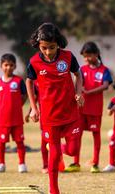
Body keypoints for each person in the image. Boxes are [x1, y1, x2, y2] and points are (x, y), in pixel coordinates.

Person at [26, 23, 84, 194]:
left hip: (70, 112)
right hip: (49, 116)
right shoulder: (34, 62)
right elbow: (29, 81)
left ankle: (58, 148)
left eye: (52, 47)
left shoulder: (68, 57)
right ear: (39, 45)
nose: (48, 52)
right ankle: (54, 190)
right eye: (44, 48)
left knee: (73, 150)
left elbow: (78, 74)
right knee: (55, 155)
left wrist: (79, 92)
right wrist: (33, 107)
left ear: (58, 43)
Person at [65, 42, 112, 173]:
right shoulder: (82, 70)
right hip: (81, 109)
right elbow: (76, 84)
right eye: (84, 56)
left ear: (96, 54)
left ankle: (95, 163)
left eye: (89, 55)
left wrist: (90, 92)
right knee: (76, 135)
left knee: (96, 135)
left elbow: (106, 85)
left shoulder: (104, 70)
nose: (86, 59)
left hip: (95, 109)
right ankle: (75, 162)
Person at [0, 53, 28, 173]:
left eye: (11, 65)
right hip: (3, 119)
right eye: (6, 65)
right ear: (1, 66)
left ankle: (22, 164)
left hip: (17, 119)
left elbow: (25, 95)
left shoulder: (18, 81)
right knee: (1, 143)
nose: (8, 67)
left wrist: (19, 105)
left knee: (20, 142)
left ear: (15, 66)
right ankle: (1, 164)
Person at [24, 82, 50, 174]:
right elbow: (34, 99)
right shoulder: (36, 82)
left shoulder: (55, 74)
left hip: (58, 113)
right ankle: (45, 165)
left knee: (56, 139)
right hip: (44, 116)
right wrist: (29, 112)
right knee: (45, 140)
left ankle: (57, 163)